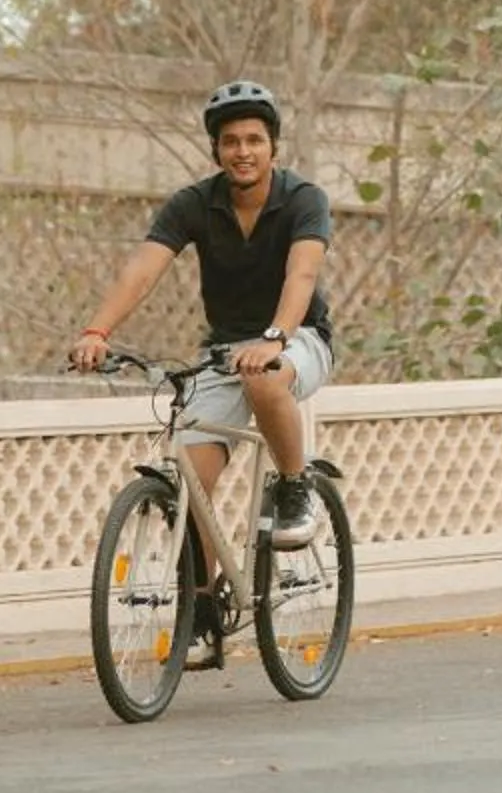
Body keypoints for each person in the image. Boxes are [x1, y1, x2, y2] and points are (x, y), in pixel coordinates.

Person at [68, 81, 336, 564]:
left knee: (265, 380)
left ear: (273, 145)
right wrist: (96, 331)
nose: (243, 151)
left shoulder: (304, 199)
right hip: (227, 350)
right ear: (216, 149)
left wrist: (276, 338)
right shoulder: (193, 203)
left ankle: (296, 487)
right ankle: (208, 608)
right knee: (191, 484)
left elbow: (303, 273)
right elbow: (143, 270)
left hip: (298, 338)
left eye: (254, 140)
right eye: (231, 142)